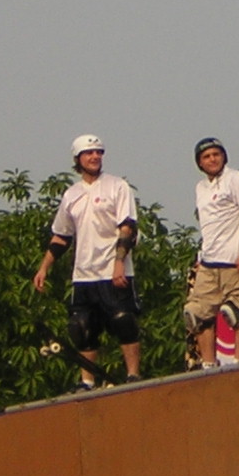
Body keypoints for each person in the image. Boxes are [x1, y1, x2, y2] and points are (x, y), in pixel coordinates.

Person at [31, 134, 142, 387]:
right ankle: (87, 381)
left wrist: (119, 263)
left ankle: (133, 374)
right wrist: (44, 268)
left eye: (98, 152)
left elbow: (127, 227)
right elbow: (62, 236)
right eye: (89, 153)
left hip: (113, 270)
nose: (95, 157)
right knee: (82, 327)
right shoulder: (72, 195)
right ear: (78, 158)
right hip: (84, 274)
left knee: (123, 321)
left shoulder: (117, 186)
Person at [183, 137, 239, 369]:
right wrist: (201, 259)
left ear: (224, 156)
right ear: (199, 163)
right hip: (209, 262)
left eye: (216, 154)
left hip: (234, 260)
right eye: (206, 156)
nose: (212, 159)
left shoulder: (236, 179)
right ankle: (209, 365)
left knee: (236, 313)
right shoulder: (200, 188)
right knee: (196, 314)